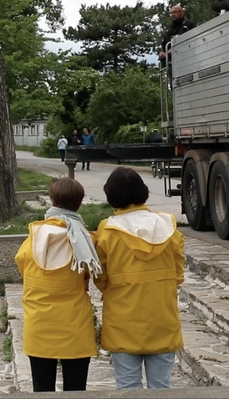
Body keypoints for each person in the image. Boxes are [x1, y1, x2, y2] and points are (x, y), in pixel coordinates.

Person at [94, 167, 185, 390]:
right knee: (162, 386)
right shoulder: (168, 225)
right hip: (162, 318)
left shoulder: (108, 229)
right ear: (143, 192)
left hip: (122, 320)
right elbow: (178, 272)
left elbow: (100, 276)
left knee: (127, 386)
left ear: (111, 196)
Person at [14, 178, 102, 392]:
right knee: (76, 390)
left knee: (42, 390)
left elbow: (23, 266)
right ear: (79, 204)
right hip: (75, 326)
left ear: (52, 201)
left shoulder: (33, 238)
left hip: (39, 324)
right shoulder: (86, 240)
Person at [159, 5, 196, 86]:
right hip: (172, 64)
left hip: (187, 62)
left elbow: (195, 42)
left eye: (175, 12)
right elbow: (164, 44)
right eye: (171, 13)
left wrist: (178, 49)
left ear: (182, 12)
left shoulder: (189, 25)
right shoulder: (169, 29)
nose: (172, 14)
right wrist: (162, 52)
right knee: (174, 86)